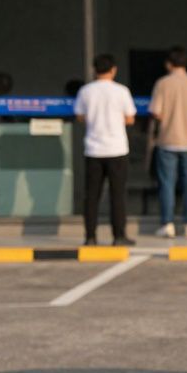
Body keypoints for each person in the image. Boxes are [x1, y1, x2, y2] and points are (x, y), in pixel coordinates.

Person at [75, 54, 138, 247]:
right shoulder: (121, 91)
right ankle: (118, 236)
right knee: (117, 194)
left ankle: (90, 236)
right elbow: (130, 118)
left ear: (94, 70)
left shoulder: (86, 91)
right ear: (113, 70)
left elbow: (79, 116)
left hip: (93, 149)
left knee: (92, 195)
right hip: (117, 148)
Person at [149, 46, 187, 239]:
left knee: (167, 183)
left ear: (169, 63)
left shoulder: (163, 84)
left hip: (167, 140)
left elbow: (156, 111)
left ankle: (168, 223)